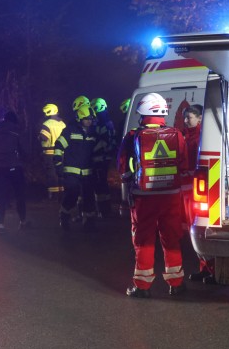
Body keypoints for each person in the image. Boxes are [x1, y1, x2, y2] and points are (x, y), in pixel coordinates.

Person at [118, 93, 189, 298]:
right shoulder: (177, 134)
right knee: (172, 238)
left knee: (144, 239)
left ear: (143, 114)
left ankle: (142, 286)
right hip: (171, 196)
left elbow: (122, 166)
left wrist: (129, 180)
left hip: (144, 197)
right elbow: (183, 164)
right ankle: (176, 284)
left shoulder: (133, 136)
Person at [181, 104, 215, 284]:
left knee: (203, 229)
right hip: (188, 189)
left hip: (199, 190)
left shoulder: (202, 137)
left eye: (190, 117)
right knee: (194, 229)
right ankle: (205, 268)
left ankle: (213, 270)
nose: (186, 121)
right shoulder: (187, 136)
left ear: (201, 118)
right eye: (185, 117)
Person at [54, 104, 98, 232]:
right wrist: (58, 165)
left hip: (88, 172)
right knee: (72, 194)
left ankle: (89, 220)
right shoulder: (70, 131)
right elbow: (58, 147)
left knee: (89, 196)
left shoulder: (93, 133)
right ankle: (64, 215)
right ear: (79, 119)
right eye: (86, 118)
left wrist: (98, 166)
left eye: (91, 118)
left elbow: (96, 151)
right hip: (71, 171)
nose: (89, 121)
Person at [0, 111, 28, 233]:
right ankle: (23, 221)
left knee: (1, 196)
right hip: (15, 167)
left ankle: (0, 224)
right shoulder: (17, 133)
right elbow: (25, 151)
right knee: (20, 195)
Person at [91, 97, 116, 217]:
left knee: (100, 184)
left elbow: (104, 142)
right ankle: (104, 209)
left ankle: (104, 210)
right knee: (102, 183)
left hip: (101, 157)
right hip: (104, 157)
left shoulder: (103, 123)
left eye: (95, 108)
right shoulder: (107, 122)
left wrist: (92, 150)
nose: (94, 111)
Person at [39, 103, 66, 200]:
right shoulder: (63, 124)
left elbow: (44, 138)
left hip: (50, 152)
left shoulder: (47, 124)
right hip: (62, 152)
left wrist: (39, 137)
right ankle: (62, 193)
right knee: (61, 172)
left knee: (51, 172)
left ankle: (53, 195)